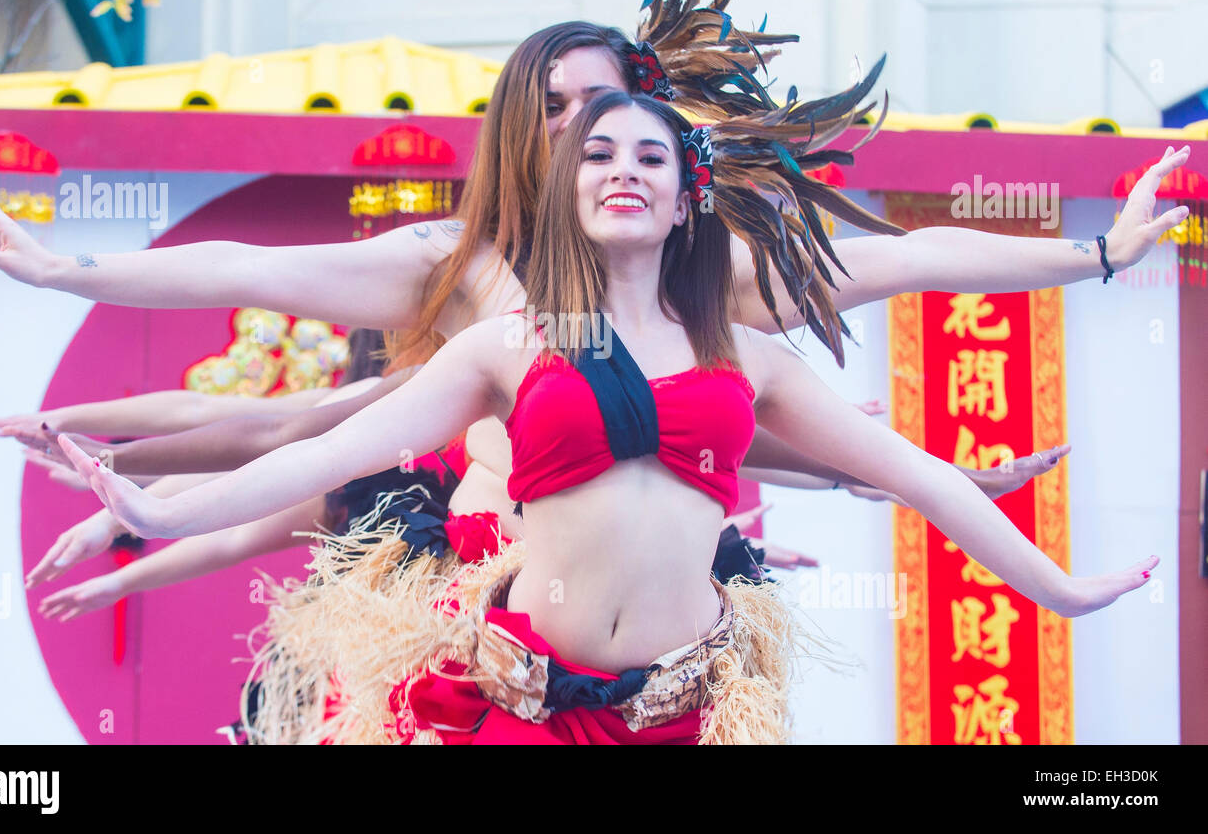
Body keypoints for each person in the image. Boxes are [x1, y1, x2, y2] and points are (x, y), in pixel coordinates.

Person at [57, 92, 1158, 745]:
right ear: (566, 192)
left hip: (682, 710)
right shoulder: (506, 340)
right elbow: (330, 448)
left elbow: (919, 470)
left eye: (649, 156)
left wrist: (1057, 586)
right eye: (596, 153)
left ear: (687, 195)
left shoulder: (748, 358)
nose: (621, 171)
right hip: (524, 699)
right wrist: (151, 509)